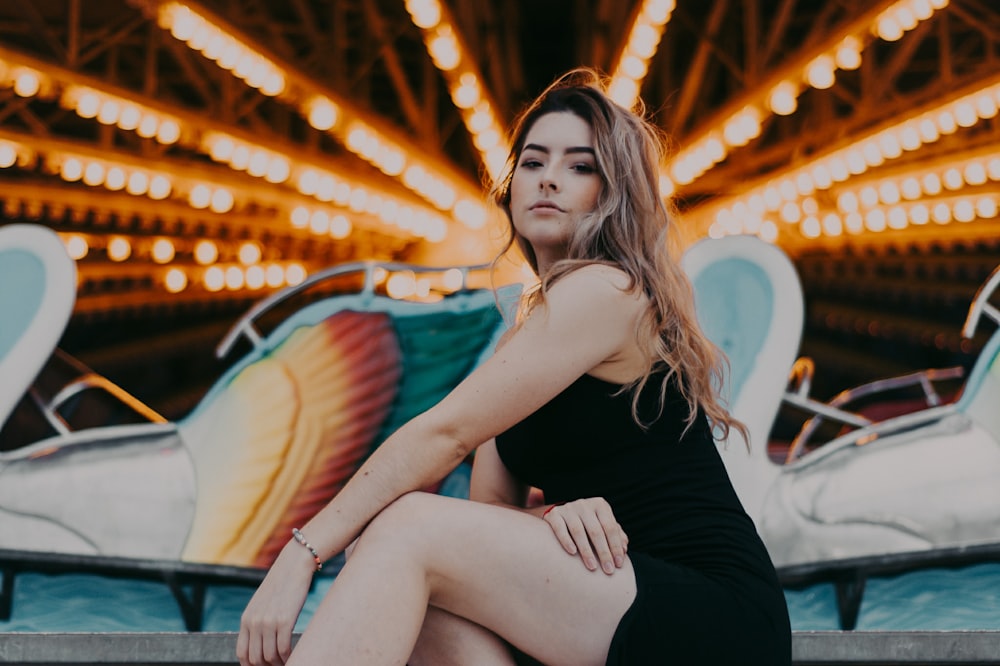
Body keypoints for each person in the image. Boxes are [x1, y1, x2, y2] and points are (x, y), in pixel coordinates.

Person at [237, 68, 792, 666]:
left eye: (580, 167)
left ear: (613, 193)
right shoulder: (520, 346)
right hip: (610, 600)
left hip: (708, 610)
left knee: (403, 525)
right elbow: (486, 518)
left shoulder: (609, 289)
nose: (549, 178)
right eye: (533, 162)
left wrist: (303, 553)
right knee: (412, 584)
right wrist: (551, 513)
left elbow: (444, 435)